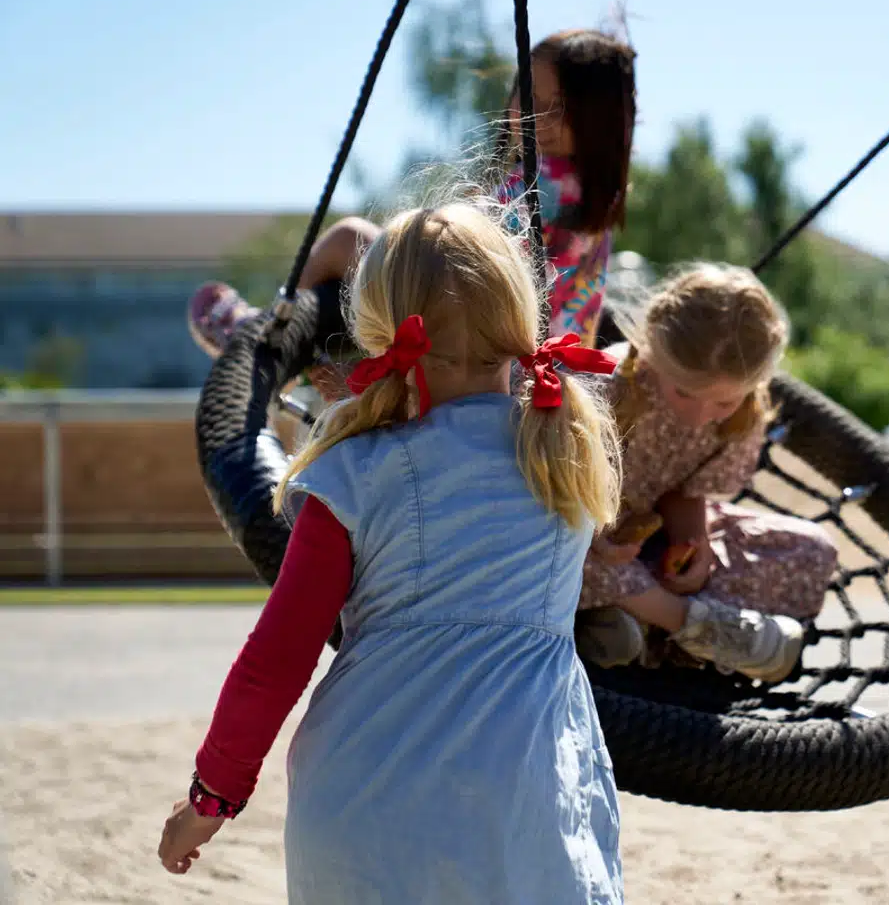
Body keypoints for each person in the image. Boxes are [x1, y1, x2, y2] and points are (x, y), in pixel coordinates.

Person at [157, 196, 626, 903]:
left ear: (376, 331)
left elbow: (276, 659)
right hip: (524, 812)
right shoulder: (566, 457)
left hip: (365, 807)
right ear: (521, 317)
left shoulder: (355, 470)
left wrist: (211, 797)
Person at [187, 26, 638, 366]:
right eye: (527, 92)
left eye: (555, 107)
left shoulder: (546, 182)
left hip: (480, 339)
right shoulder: (595, 206)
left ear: (593, 123)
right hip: (547, 367)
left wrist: (439, 220)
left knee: (348, 238)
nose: (532, 113)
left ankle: (264, 338)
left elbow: (468, 235)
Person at [576, 264, 838, 682]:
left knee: (812, 552)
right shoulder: (604, 384)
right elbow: (551, 486)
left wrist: (690, 544)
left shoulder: (745, 415)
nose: (698, 416)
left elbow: (686, 493)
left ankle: (627, 624)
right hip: (578, 527)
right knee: (561, 552)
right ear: (651, 346)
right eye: (683, 392)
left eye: (723, 404)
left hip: (644, 546)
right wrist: (596, 537)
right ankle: (689, 627)